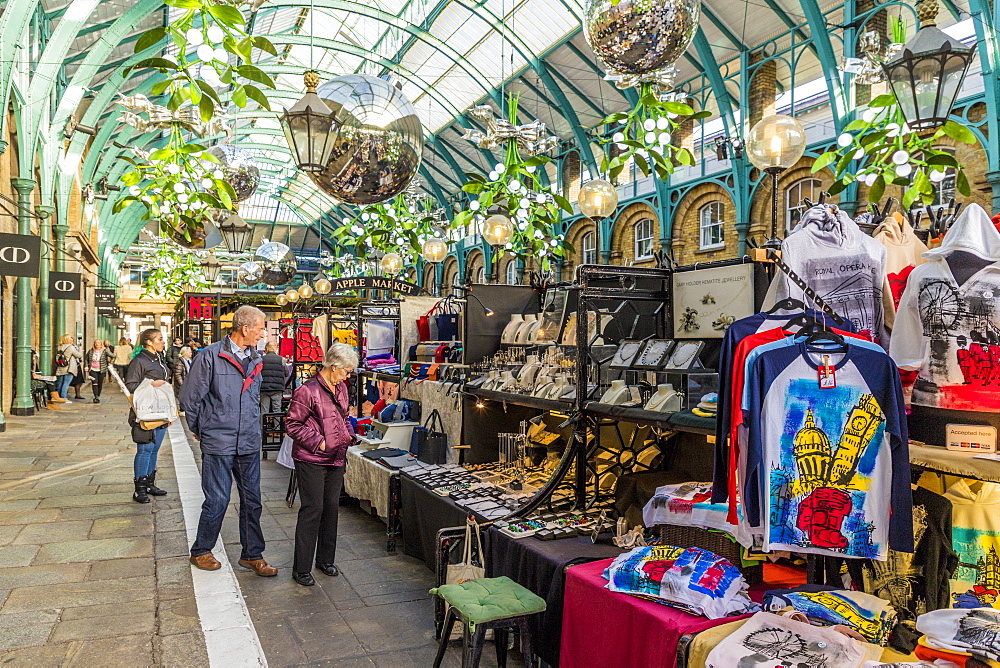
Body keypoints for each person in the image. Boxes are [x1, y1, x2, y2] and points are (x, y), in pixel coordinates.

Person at [180, 305, 277, 577]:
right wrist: (202, 428)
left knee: (252, 500)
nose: (262, 334)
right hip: (218, 441)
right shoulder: (210, 356)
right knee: (218, 499)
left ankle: (252, 554)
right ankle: (201, 550)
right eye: (260, 328)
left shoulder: (256, 358)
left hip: (247, 441)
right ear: (245, 329)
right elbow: (190, 398)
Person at [284, 343, 359, 586]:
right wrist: (320, 443)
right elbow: (292, 425)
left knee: (330, 509)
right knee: (312, 510)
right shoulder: (307, 390)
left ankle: (325, 560)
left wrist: (349, 435)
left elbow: (344, 416)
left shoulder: (342, 388)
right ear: (334, 366)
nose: (348, 376)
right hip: (312, 459)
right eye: (347, 371)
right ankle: (302, 568)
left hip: (336, 457)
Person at [125, 329, 171, 503]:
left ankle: (150, 483)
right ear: (149, 342)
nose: (163, 342)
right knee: (144, 449)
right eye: (159, 339)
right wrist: (152, 384)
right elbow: (131, 385)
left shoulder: (158, 359)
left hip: (160, 411)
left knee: (154, 449)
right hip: (144, 413)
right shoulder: (139, 361)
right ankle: (139, 489)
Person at [259, 341, 287, 413]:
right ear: (275, 349)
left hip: (264, 388)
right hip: (277, 389)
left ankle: (263, 424)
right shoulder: (282, 360)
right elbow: (287, 373)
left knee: (264, 410)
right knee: (277, 410)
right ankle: (277, 424)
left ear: (266, 349)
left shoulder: (261, 360)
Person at [55, 334, 83, 402]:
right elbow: (79, 355)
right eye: (70, 338)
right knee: (66, 383)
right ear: (67, 339)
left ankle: (58, 397)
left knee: (60, 382)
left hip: (61, 367)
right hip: (69, 367)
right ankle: (63, 397)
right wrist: (80, 349)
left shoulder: (59, 347)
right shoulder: (70, 347)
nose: (71, 339)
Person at [87, 339, 113, 403]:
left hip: (101, 369)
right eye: (95, 342)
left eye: (98, 342)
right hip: (93, 369)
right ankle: (96, 397)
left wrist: (110, 363)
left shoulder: (104, 351)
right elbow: (86, 358)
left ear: (101, 344)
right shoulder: (91, 351)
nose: (97, 344)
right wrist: (86, 366)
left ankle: (98, 395)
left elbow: (113, 356)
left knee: (100, 383)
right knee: (94, 383)